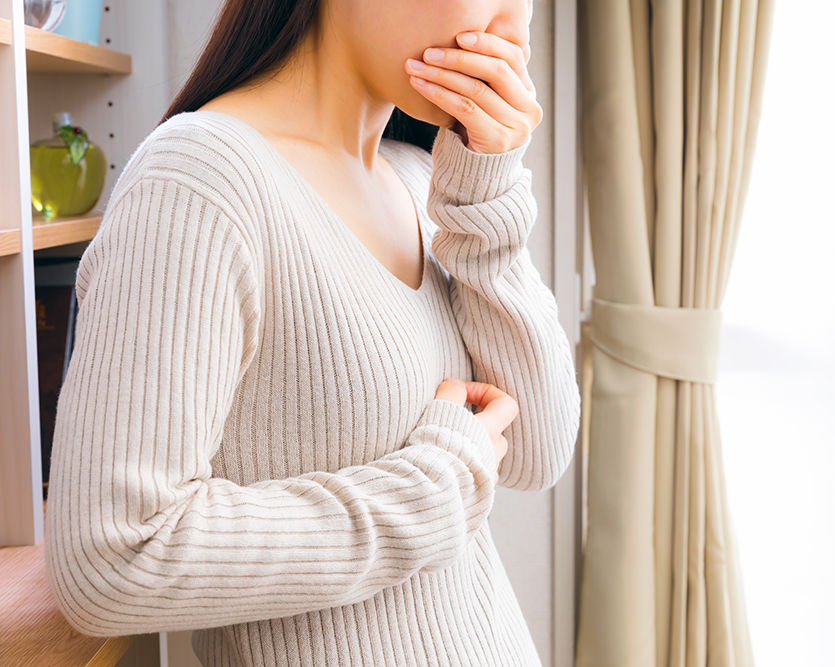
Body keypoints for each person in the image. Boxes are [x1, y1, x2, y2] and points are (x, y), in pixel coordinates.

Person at [43, 0, 581, 665]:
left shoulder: (418, 180)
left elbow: (537, 448)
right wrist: (430, 489)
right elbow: (113, 556)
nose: (515, 32)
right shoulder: (202, 177)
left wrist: (487, 200)